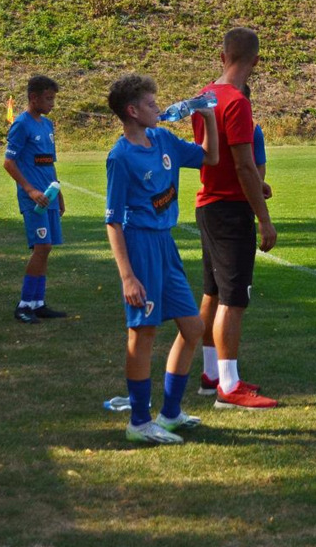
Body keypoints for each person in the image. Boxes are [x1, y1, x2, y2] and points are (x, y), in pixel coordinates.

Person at [105, 74, 219, 444]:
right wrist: (127, 276)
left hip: (165, 245)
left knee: (193, 327)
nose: (159, 108)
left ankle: (170, 414)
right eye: (151, 104)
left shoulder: (163, 139)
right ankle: (139, 422)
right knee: (143, 333)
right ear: (132, 111)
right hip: (140, 246)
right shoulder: (120, 157)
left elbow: (209, 157)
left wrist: (208, 117)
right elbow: (113, 222)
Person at [179, 27, 279, 410]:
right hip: (230, 210)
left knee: (213, 292)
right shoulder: (238, 102)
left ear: (222, 57)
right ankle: (229, 387)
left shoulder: (205, 96)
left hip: (207, 204)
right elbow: (243, 164)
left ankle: (212, 375)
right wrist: (263, 218)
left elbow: (210, 156)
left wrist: (252, 185)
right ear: (256, 61)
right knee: (233, 300)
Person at [4, 75, 68, 324]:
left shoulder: (48, 124)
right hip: (34, 200)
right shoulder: (21, 124)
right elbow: (9, 163)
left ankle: (38, 303)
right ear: (33, 97)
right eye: (48, 98)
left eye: (53, 98)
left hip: (48, 196)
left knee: (46, 248)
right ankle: (23, 305)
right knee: (41, 247)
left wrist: (58, 194)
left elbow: (49, 163)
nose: (52, 103)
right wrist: (30, 190)